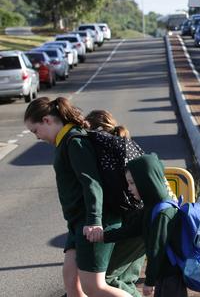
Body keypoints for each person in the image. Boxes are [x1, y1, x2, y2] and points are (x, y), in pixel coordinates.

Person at [23, 97, 130, 297]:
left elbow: (92, 183)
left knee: (94, 287)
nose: (37, 137)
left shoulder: (75, 141)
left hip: (94, 222)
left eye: (35, 131)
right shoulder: (65, 141)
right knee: (72, 281)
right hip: (77, 224)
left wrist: (94, 221)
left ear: (47, 120)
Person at [91, 153, 186, 297]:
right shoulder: (150, 208)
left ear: (146, 181)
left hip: (171, 277)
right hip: (163, 276)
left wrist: (149, 281)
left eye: (132, 183)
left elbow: (156, 250)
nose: (129, 188)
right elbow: (131, 231)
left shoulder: (164, 212)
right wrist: (103, 236)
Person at [86, 110, 146, 297]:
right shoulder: (126, 143)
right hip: (147, 216)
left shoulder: (101, 145)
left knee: (107, 279)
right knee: (126, 280)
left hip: (134, 223)